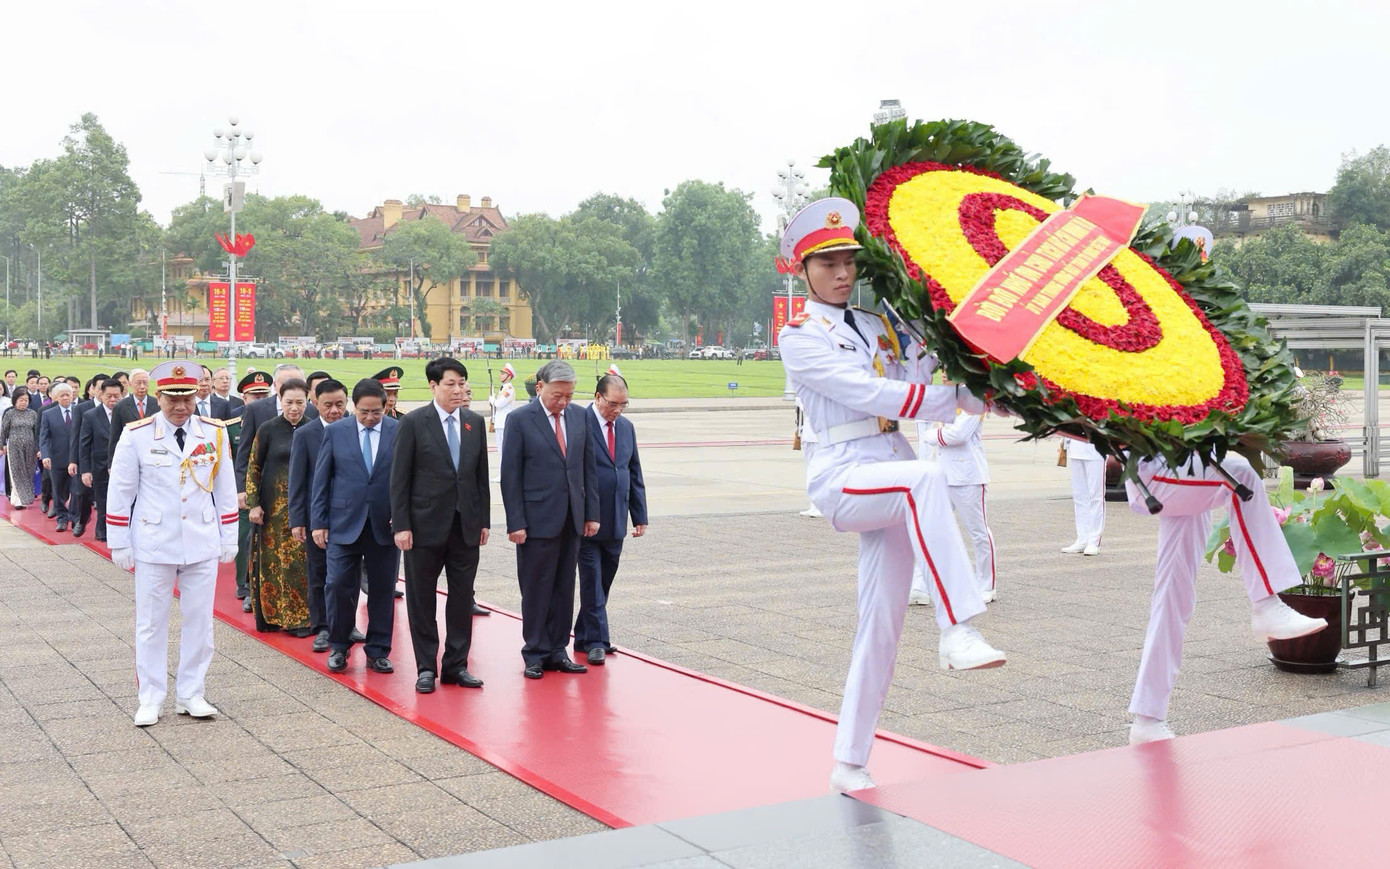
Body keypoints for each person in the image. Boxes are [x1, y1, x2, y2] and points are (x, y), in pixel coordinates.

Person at [776, 197, 1006, 793]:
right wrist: (946, 399)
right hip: (842, 474)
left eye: (850, 260)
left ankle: (849, 760)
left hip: (892, 471)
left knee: (880, 623)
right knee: (926, 478)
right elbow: (870, 394)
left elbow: (927, 375)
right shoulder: (799, 337)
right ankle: (957, 626)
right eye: (827, 263)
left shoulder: (880, 326)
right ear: (802, 271)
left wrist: (991, 386)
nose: (843, 273)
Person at [1125, 454, 1329, 744]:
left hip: (1183, 465)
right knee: (1240, 477)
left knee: (1174, 594)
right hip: (1155, 471)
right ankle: (1266, 604)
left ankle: (1148, 717)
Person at [107, 360, 237, 726]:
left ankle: (191, 692)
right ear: (158, 396)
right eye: (171, 400)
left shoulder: (214, 433)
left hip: (200, 539)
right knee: (151, 622)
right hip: (154, 541)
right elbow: (121, 490)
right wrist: (119, 541)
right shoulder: (137, 434)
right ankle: (150, 697)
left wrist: (229, 536)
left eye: (188, 399)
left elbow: (226, 489)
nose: (180, 407)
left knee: (200, 621)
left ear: (197, 395)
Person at [391, 358, 490, 693]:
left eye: (461, 383)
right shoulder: (415, 423)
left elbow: (480, 479)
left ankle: (456, 666)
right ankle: (425, 667)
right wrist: (401, 525)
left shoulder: (474, 423)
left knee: (462, 599)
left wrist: (483, 521)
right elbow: (399, 479)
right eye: (450, 384)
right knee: (422, 600)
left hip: (465, 527)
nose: (458, 390)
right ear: (433, 386)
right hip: (423, 527)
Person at [501, 360, 600, 680]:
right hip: (535, 520)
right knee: (535, 588)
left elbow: (588, 469)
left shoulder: (580, 416)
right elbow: (510, 475)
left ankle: (558, 649)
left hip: (572, 517)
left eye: (569, 396)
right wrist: (515, 521)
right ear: (540, 386)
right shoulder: (520, 420)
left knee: (563, 587)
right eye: (558, 396)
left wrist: (591, 514)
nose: (564, 402)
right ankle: (534, 651)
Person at [311, 378, 399, 675]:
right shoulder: (337, 432)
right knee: (337, 585)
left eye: (377, 412)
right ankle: (339, 645)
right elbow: (322, 480)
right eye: (364, 412)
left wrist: (403, 518)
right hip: (342, 523)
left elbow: (406, 480)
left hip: (385, 525)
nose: (371, 418)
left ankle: (378, 650)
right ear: (354, 407)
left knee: (383, 589)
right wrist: (318, 521)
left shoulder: (398, 431)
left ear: (386, 406)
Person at [573, 373, 647, 665]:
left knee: (603, 582)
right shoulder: (578, 423)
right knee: (591, 581)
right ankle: (597, 640)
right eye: (613, 404)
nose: (617, 410)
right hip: (588, 520)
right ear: (597, 397)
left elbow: (633, 471)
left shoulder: (626, 428)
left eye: (623, 404)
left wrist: (639, 514)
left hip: (616, 518)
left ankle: (582, 634)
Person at [236, 367, 317, 608]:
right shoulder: (265, 423)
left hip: (303, 504)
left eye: (299, 402)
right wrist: (252, 501)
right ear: (279, 396)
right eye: (289, 401)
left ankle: (301, 612)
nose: (295, 407)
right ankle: (264, 603)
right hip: (271, 505)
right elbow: (251, 463)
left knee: (300, 560)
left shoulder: (313, 423)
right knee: (270, 559)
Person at [289, 378, 354, 653]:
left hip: (350, 517)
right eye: (328, 405)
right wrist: (299, 521)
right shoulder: (305, 434)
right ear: (315, 404)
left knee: (346, 576)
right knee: (319, 574)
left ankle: (346, 625)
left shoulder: (355, 429)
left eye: (340, 404)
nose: (335, 411)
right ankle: (323, 627)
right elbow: (298, 480)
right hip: (318, 518)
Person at [911, 411, 996, 605]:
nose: (945, 378)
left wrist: (932, 435)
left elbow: (958, 435)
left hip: (968, 477)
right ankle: (921, 585)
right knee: (930, 531)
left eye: (949, 376)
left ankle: (986, 585)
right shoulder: (947, 399)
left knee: (978, 532)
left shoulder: (975, 398)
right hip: (942, 474)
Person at [79, 377, 124, 542]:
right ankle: (102, 531)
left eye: (116, 396)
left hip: (123, 465)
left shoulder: (127, 412)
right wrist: (85, 470)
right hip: (100, 466)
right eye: (109, 396)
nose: (113, 400)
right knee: (103, 500)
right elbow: (84, 445)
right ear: (101, 395)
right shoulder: (90, 416)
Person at [38, 383, 79, 532]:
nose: (66, 397)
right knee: (58, 491)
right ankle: (62, 519)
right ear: (55, 397)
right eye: (62, 395)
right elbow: (44, 437)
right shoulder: (48, 414)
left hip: (76, 459)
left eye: (68, 394)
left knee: (76, 491)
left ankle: (76, 519)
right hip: (56, 459)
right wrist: (45, 455)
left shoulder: (79, 411)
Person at [1062, 438, 1105, 556]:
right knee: (1079, 497)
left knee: (1096, 497)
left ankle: (1094, 541)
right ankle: (1082, 539)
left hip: (1096, 450)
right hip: (1075, 448)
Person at [1, 387, 40, 508]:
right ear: (15, 400)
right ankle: (17, 500)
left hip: (30, 447)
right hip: (14, 447)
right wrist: (2, 445)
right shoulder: (10, 413)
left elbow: (36, 432)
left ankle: (26, 498)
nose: (24, 402)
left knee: (28, 472)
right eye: (21, 400)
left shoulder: (33, 414)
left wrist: (38, 448)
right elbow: (3, 431)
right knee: (16, 472)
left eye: (26, 400)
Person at [108, 369, 157, 456]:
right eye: (138, 383)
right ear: (130, 384)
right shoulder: (120, 406)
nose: (142, 386)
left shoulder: (158, 404)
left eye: (145, 383)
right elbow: (114, 437)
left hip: (153, 454)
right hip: (129, 453)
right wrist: (111, 465)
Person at [488, 363, 517, 483]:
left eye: (503, 373)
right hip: (500, 421)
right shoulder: (504, 388)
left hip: (504, 422)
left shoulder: (509, 389)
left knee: (504, 450)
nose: (500, 375)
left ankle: (504, 474)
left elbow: (499, 404)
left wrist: (492, 399)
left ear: (509, 376)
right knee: (501, 449)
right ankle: (503, 473)